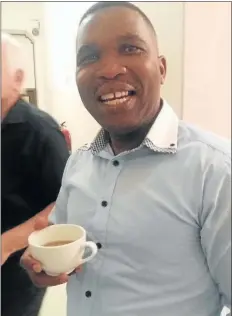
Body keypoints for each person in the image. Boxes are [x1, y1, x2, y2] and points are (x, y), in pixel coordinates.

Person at [21, 2, 231, 316]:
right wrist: (42, 264)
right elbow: (63, 240)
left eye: (130, 48)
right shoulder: (78, 163)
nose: (108, 69)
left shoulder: (215, 171)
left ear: (161, 68)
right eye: (89, 57)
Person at [1, 32, 70, 316]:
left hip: (18, 270)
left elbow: (66, 203)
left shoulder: (41, 132)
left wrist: (5, 245)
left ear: (18, 80)